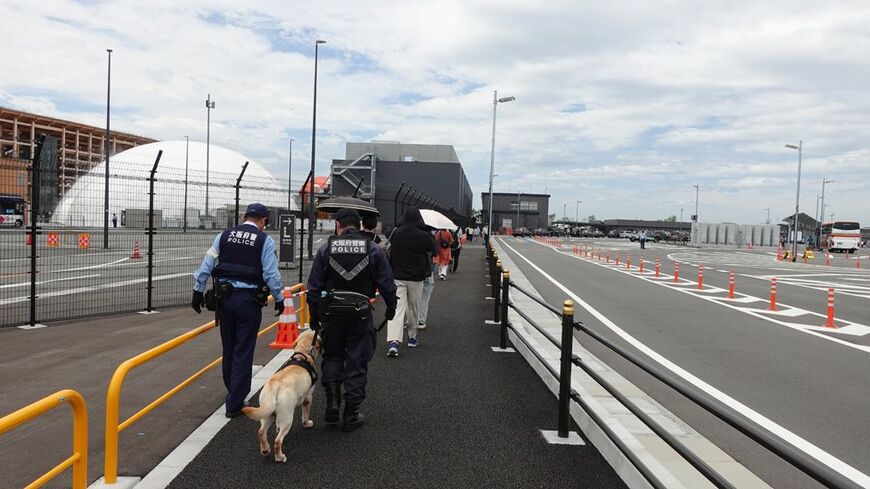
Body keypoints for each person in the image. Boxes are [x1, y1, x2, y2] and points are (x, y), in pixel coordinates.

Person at [306, 208, 397, 431]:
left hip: (332, 314)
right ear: (359, 225)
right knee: (357, 360)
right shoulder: (374, 249)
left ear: (338, 225)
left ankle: (333, 402)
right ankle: (351, 413)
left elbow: (314, 288)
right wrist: (391, 308)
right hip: (360, 312)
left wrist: (314, 316)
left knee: (333, 356)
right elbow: (387, 283)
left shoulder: (326, 248)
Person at [191, 203, 284, 418]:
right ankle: (234, 403)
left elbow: (207, 264)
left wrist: (197, 290)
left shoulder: (224, 236)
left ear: (244, 217)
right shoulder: (264, 240)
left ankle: (232, 390)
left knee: (230, 347)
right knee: (243, 350)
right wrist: (279, 299)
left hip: (224, 300)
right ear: (263, 220)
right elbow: (271, 274)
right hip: (248, 302)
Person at [385, 207, 436, 357]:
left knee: (397, 308)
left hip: (397, 276)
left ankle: (394, 341)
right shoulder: (423, 235)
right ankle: (412, 338)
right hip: (416, 278)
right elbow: (432, 249)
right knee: (414, 308)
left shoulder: (396, 233)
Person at [418, 253, 435, 329]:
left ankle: (410, 319)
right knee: (424, 297)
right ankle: (421, 320)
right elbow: (435, 252)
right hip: (426, 270)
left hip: (408, 271)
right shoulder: (429, 240)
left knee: (410, 298)